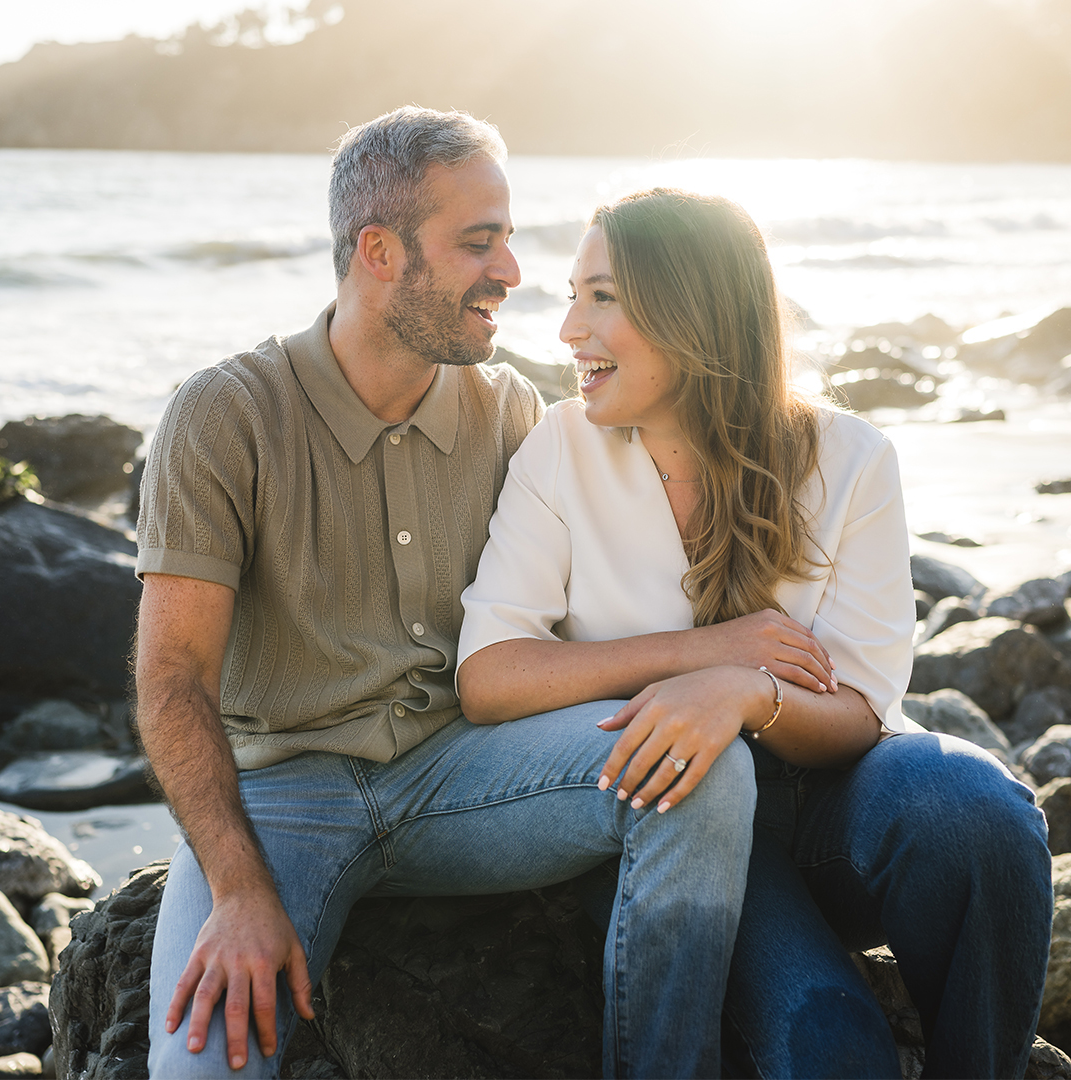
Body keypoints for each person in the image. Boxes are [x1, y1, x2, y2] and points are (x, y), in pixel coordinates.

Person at [134, 109, 764, 1080]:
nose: (511, 271)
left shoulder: (514, 412)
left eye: (508, 237)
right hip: (278, 798)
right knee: (197, 1065)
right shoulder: (226, 416)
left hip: (468, 777)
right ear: (379, 253)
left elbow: (663, 463)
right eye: (480, 242)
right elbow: (172, 679)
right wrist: (237, 886)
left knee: (700, 769)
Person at [457, 188, 1054, 1079]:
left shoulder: (851, 458)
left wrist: (748, 693)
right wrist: (700, 655)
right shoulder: (559, 450)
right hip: (674, 825)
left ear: (692, 309)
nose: (569, 329)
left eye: (602, 296)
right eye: (571, 294)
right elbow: (490, 675)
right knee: (834, 1047)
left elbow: (860, 707)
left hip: (830, 809)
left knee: (980, 808)